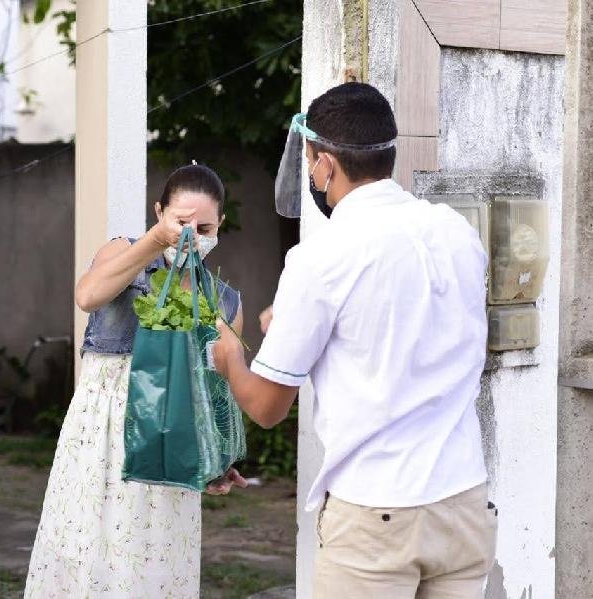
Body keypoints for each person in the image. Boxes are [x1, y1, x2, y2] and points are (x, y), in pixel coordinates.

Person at [212, 82, 497, 598]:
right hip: (464, 503)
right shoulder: (456, 231)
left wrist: (230, 355)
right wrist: (302, 325)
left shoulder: (322, 257)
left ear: (323, 164)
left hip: (377, 512)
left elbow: (267, 407)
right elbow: (403, 326)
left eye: (309, 164)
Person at [25, 163, 247, 598]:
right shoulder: (124, 251)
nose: (192, 236)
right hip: (102, 435)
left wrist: (216, 457)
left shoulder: (224, 298)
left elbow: (214, 391)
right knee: (85, 554)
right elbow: (88, 296)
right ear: (159, 212)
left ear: (220, 225)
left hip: (168, 447)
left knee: (154, 565)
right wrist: (153, 243)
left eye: (204, 227)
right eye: (181, 223)